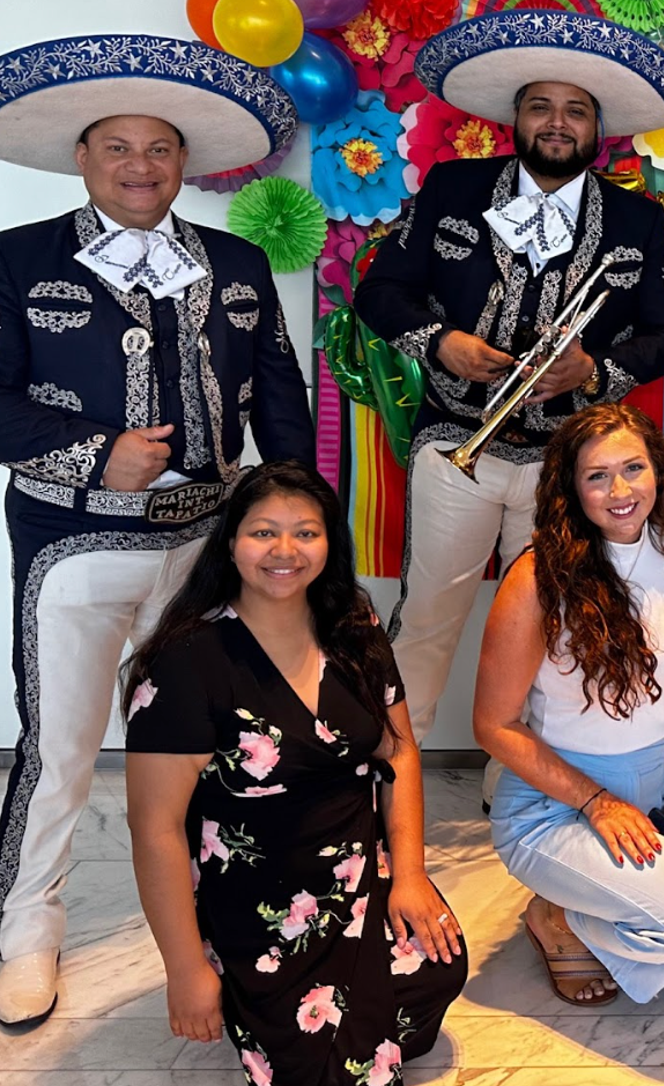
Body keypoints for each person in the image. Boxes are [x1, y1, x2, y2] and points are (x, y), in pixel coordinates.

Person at [0, 36, 315, 1025]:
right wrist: (92, 451)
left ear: (184, 162)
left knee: (219, 744)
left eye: (160, 148)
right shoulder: (14, 261)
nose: (140, 166)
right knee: (60, 745)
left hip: (207, 553)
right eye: (118, 148)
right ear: (83, 157)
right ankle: (27, 932)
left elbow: (280, 397)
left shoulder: (235, 263)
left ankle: (228, 918)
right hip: (72, 543)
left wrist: (293, 518)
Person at [354, 10, 664, 757]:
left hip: (566, 461)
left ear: (596, 127)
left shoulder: (637, 220)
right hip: (455, 442)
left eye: (576, 110)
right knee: (428, 617)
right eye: (541, 105)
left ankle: (518, 784)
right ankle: (390, 779)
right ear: (516, 116)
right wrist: (439, 343)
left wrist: (595, 372)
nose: (556, 122)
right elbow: (379, 293)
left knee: (551, 626)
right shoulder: (452, 189)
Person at [123, 462, 465, 1084]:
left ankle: (363, 1028)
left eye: (306, 533)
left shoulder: (354, 630)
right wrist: (184, 969)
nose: (285, 551)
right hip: (257, 905)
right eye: (263, 533)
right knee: (326, 1069)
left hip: (360, 871)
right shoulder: (185, 664)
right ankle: (260, 1003)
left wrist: (411, 875)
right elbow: (156, 830)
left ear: (330, 543)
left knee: (440, 964)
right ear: (230, 542)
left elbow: (400, 752)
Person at [473, 403, 664, 1006]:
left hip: (652, 795)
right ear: (571, 488)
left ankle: (579, 912)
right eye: (597, 476)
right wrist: (597, 804)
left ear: (659, 469)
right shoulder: (536, 578)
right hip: (554, 806)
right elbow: (493, 726)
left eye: (634, 468)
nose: (620, 490)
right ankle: (555, 918)